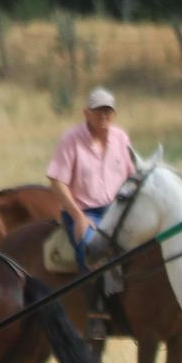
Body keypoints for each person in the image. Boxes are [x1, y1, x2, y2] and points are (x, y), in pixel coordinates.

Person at [45, 88, 134, 250]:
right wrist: (78, 217)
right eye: (98, 110)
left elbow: (132, 175)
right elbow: (57, 182)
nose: (103, 115)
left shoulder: (121, 138)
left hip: (117, 210)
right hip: (85, 212)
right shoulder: (70, 140)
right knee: (93, 251)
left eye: (107, 110)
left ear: (114, 114)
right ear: (86, 113)